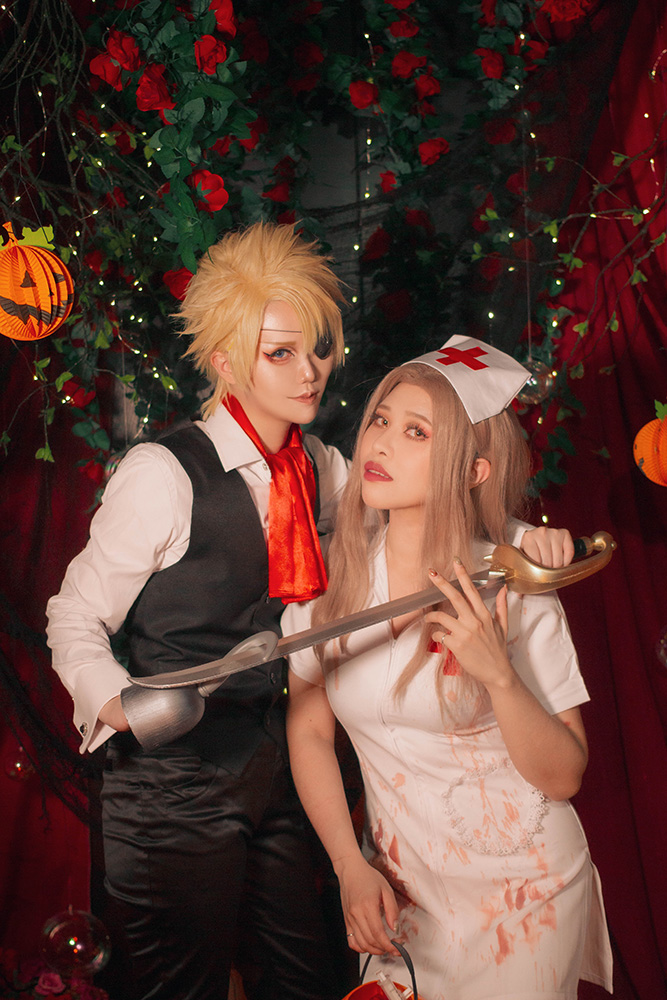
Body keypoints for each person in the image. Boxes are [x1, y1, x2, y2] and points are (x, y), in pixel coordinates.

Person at [46, 219, 574, 1000]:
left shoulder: (324, 470)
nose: (309, 371)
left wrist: (528, 541)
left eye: (318, 348)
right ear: (226, 361)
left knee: (311, 979)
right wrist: (116, 703)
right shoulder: (162, 474)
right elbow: (72, 615)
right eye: (280, 353)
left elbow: (432, 507)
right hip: (170, 786)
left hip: (275, 776)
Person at [285, 336, 613, 1000]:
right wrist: (348, 865)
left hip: (528, 897)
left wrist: (499, 676)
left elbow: (564, 775)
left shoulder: (514, 586)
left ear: (472, 471)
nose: (381, 443)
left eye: (416, 432)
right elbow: (310, 731)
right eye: (380, 420)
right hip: (405, 898)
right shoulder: (330, 587)